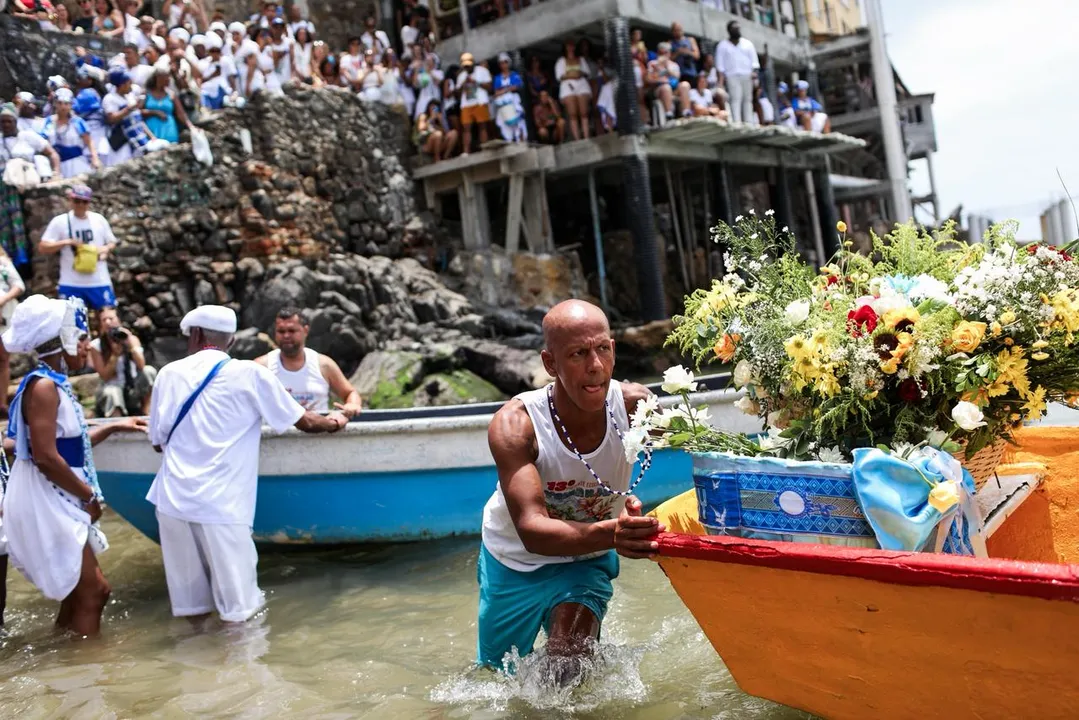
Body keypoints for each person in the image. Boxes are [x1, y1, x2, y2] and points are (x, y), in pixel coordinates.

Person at [476, 299, 665, 677]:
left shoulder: (636, 408)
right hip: (514, 560)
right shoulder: (517, 425)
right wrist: (616, 533)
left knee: (567, 667)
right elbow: (532, 530)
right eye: (578, 354)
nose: (595, 366)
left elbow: (700, 448)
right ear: (550, 364)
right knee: (495, 679)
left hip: (586, 558)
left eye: (603, 350)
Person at [146, 306, 349, 624]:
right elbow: (305, 421)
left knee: (192, 610)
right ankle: (241, 657)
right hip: (221, 507)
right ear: (231, 340)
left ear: (196, 335)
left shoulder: (167, 374)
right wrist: (336, 421)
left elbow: (157, 442)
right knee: (241, 614)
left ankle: (194, 655)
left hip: (171, 503)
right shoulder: (250, 373)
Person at [2, 295, 145, 636]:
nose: (86, 346)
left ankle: (64, 655)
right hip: (48, 497)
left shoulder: (54, 384)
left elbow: (67, 448)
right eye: (80, 339)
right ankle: (89, 662)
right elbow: (45, 457)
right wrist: (88, 496)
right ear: (61, 340)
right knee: (95, 592)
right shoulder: (44, 387)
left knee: (77, 593)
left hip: (56, 493)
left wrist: (113, 427)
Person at [255, 307, 363, 417]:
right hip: (275, 428)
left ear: (305, 331)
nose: (286, 336)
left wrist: (352, 404)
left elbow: (350, 393)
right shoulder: (261, 367)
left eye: (292, 331)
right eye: (281, 331)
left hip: (318, 427)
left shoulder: (324, 365)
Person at [2, 104, 61, 276]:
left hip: (26, 186)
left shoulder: (27, 137)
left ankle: (24, 260)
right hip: (4, 191)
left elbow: (51, 153)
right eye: (2, 122)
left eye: (9, 121)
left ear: (16, 121)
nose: (6, 125)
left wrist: (56, 173)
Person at [37, 185, 118, 311]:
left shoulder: (98, 220)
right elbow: (43, 247)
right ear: (70, 200)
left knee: (107, 316)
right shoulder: (60, 221)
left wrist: (105, 249)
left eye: (84, 202)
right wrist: (66, 242)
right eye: (77, 201)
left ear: (89, 202)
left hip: (99, 280)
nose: (80, 205)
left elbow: (112, 242)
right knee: (72, 320)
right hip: (71, 282)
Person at [89, 307, 156, 416]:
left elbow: (141, 365)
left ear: (119, 321)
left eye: (111, 318)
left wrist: (131, 344)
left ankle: (146, 413)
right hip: (112, 389)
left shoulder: (131, 339)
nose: (108, 322)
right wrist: (115, 355)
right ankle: (118, 420)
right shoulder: (96, 346)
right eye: (104, 320)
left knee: (149, 371)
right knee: (112, 393)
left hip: (132, 388)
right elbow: (105, 376)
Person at [41, 88, 102, 178]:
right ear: (55, 103)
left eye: (66, 103)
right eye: (60, 103)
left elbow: (89, 142)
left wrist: (95, 158)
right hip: (56, 165)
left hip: (76, 164)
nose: (63, 107)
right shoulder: (48, 121)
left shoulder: (77, 122)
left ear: (71, 105)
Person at [715, 20, 759, 123]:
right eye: (734, 29)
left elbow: (754, 62)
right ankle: (737, 122)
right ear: (729, 30)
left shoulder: (747, 43)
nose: (737, 30)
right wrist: (721, 82)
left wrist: (754, 75)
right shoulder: (722, 45)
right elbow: (720, 66)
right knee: (735, 99)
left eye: (738, 28)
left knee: (747, 100)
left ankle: (748, 122)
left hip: (747, 75)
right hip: (732, 76)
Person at [554, 39, 591, 140]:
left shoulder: (581, 59)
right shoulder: (561, 61)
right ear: (565, 47)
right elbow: (559, 76)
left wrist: (577, 74)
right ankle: (577, 139)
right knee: (573, 115)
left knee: (584, 114)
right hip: (567, 87)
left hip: (582, 85)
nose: (570, 47)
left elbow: (587, 72)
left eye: (572, 45)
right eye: (568, 45)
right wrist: (573, 75)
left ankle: (586, 137)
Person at [457, 52, 492, 154]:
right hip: (466, 104)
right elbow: (457, 93)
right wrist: (464, 84)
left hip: (480, 102)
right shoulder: (461, 76)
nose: (467, 68)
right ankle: (466, 151)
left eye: (468, 65)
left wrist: (476, 82)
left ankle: (485, 149)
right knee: (466, 127)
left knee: (482, 126)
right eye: (465, 66)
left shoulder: (483, 71)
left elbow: (490, 87)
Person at [492, 53, 526, 143]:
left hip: (514, 101)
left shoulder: (514, 75)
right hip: (503, 104)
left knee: (519, 121)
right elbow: (496, 92)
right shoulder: (497, 78)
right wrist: (507, 89)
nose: (503, 65)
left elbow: (517, 86)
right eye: (501, 63)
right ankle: (509, 140)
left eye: (505, 62)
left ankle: (521, 140)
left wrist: (504, 90)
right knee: (505, 123)